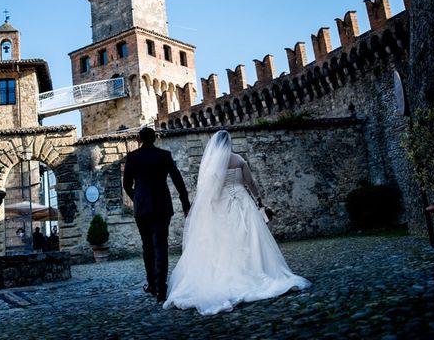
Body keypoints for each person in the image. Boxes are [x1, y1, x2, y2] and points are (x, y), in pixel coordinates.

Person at [163, 130, 310, 315]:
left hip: (222, 204)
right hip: (242, 201)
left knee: (224, 240)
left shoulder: (212, 163)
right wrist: (259, 201)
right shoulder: (239, 160)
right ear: (229, 142)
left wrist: (209, 207)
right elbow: (250, 183)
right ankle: (256, 269)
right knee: (250, 237)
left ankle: (227, 273)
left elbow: (208, 191)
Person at [123, 127, 191, 303]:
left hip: (142, 207)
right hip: (162, 205)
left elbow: (126, 184)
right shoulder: (164, 155)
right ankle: (162, 285)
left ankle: (152, 283)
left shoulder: (133, 157)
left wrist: (136, 197)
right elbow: (178, 180)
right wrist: (185, 203)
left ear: (139, 139)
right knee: (161, 245)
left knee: (147, 246)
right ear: (155, 139)